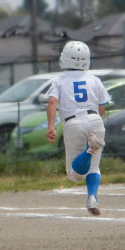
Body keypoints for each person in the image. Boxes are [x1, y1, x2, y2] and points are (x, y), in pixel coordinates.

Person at [46, 41, 110, 216]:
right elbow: (102, 105)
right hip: (95, 118)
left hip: (72, 122)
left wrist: (51, 126)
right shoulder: (94, 79)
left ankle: (90, 149)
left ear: (64, 59)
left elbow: (52, 102)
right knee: (94, 168)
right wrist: (95, 121)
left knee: (74, 175)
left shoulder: (59, 80)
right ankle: (92, 199)